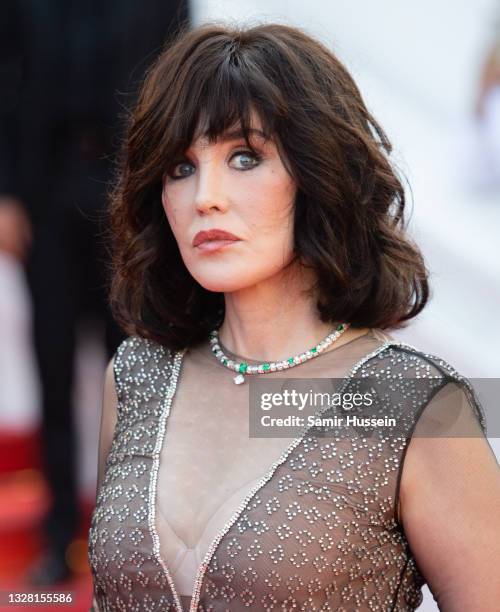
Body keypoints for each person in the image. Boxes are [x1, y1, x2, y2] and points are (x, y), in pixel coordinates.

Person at [87, 22, 500, 611]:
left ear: (318, 172)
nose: (205, 194)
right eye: (180, 168)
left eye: (245, 157)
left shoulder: (411, 405)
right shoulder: (136, 378)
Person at [0, 0, 190, 585]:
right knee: (53, 371)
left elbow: (178, 96)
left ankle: (126, 540)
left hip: (128, 205)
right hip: (47, 199)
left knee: (133, 375)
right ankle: (58, 539)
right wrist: (5, 195)